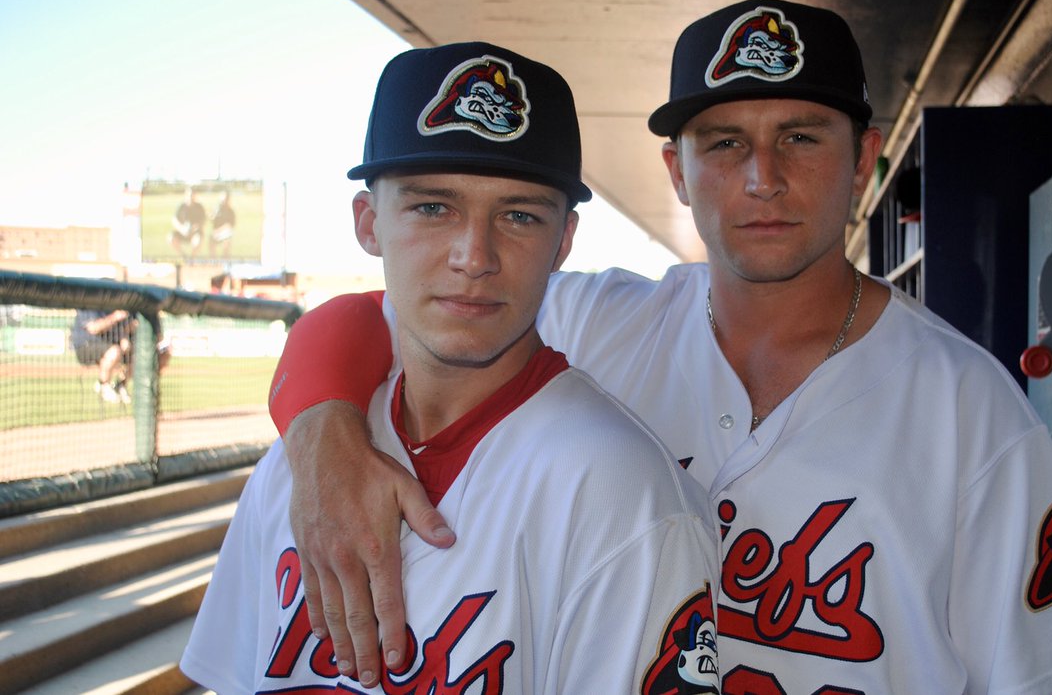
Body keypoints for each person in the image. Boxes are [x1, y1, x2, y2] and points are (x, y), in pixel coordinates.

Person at [269, 0, 1052, 692]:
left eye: (801, 136)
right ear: (676, 171)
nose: (763, 176)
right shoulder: (597, 324)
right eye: (725, 143)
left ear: (867, 159)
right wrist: (321, 427)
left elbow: (1049, 675)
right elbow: (364, 318)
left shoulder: (968, 403)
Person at [180, 42, 719, 694]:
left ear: (564, 242)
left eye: (518, 215)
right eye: (433, 207)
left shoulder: (625, 496)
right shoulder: (300, 466)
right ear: (368, 222)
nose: (474, 255)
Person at [70, 308, 134, 403]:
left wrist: (123, 337)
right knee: (114, 351)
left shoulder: (112, 306)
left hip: (108, 344)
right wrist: (115, 316)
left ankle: (120, 386)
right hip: (85, 345)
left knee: (135, 355)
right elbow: (94, 328)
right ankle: (104, 386)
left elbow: (120, 330)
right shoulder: (89, 305)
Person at [168, 186, 205, 259]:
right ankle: (184, 256)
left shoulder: (199, 207)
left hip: (194, 233)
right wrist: (182, 229)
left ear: (195, 195)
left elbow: (202, 222)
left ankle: (192, 258)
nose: (190, 197)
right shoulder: (181, 206)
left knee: (197, 241)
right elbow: (174, 219)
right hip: (183, 232)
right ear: (185, 195)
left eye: (192, 194)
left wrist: (194, 229)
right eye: (189, 195)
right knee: (170, 238)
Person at [208, 190, 236, 259]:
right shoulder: (217, 209)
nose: (223, 201)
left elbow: (229, 226)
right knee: (211, 240)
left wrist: (218, 231)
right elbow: (213, 220)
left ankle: (225, 261)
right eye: (222, 200)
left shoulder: (230, 211)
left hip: (225, 233)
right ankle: (213, 260)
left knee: (226, 243)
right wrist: (211, 217)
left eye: (225, 199)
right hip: (216, 233)